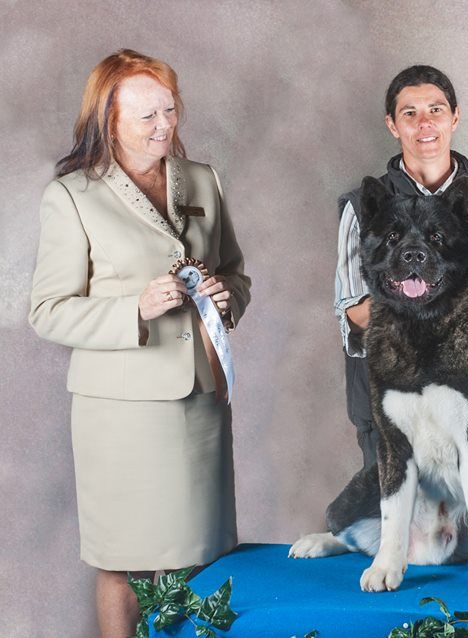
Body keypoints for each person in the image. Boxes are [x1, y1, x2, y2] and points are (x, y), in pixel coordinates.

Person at [29, 49, 251, 638]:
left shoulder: (202, 178)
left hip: (202, 398)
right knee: (124, 561)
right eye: (145, 116)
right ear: (107, 120)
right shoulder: (72, 197)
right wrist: (136, 309)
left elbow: (234, 272)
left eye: (169, 111)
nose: (164, 127)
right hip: (120, 414)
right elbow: (47, 312)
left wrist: (225, 296)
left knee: (201, 556)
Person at [335, 65, 468, 469]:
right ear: (392, 125)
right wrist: (450, 301)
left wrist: (407, 303)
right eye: (409, 113)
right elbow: (353, 313)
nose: (424, 123)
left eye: (435, 109)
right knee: (398, 527)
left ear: (455, 117)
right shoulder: (362, 204)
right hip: (392, 394)